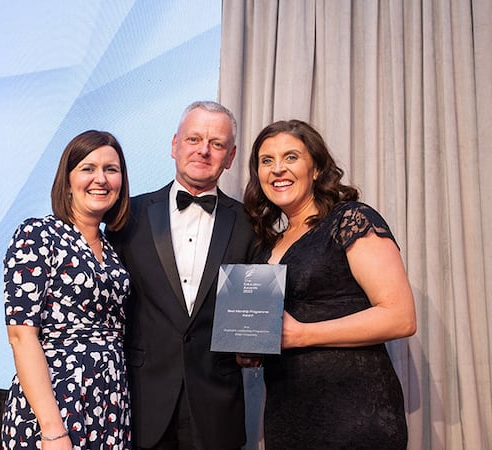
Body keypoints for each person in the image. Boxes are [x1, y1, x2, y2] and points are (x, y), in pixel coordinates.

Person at [242, 119, 417, 449]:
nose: (278, 169)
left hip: (355, 413)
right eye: (267, 161)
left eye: (291, 157)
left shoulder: (350, 219)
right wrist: (251, 348)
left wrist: (302, 334)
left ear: (317, 168)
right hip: (287, 415)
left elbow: (400, 316)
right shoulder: (265, 244)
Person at [107, 101, 254, 450]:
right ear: (175, 145)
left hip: (216, 405)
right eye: (194, 139)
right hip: (141, 399)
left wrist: (253, 347)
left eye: (216, 144)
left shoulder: (251, 224)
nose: (204, 150)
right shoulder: (128, 214)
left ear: (230, 157)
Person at [1, 130, 132, 449]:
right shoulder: (38, 234)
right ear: (68, 180)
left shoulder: (113, 250)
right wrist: (52, 429)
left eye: (111, 170)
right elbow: (21, 336)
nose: (100, 179)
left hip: (110, 404)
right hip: (56, 404)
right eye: (88, 168)